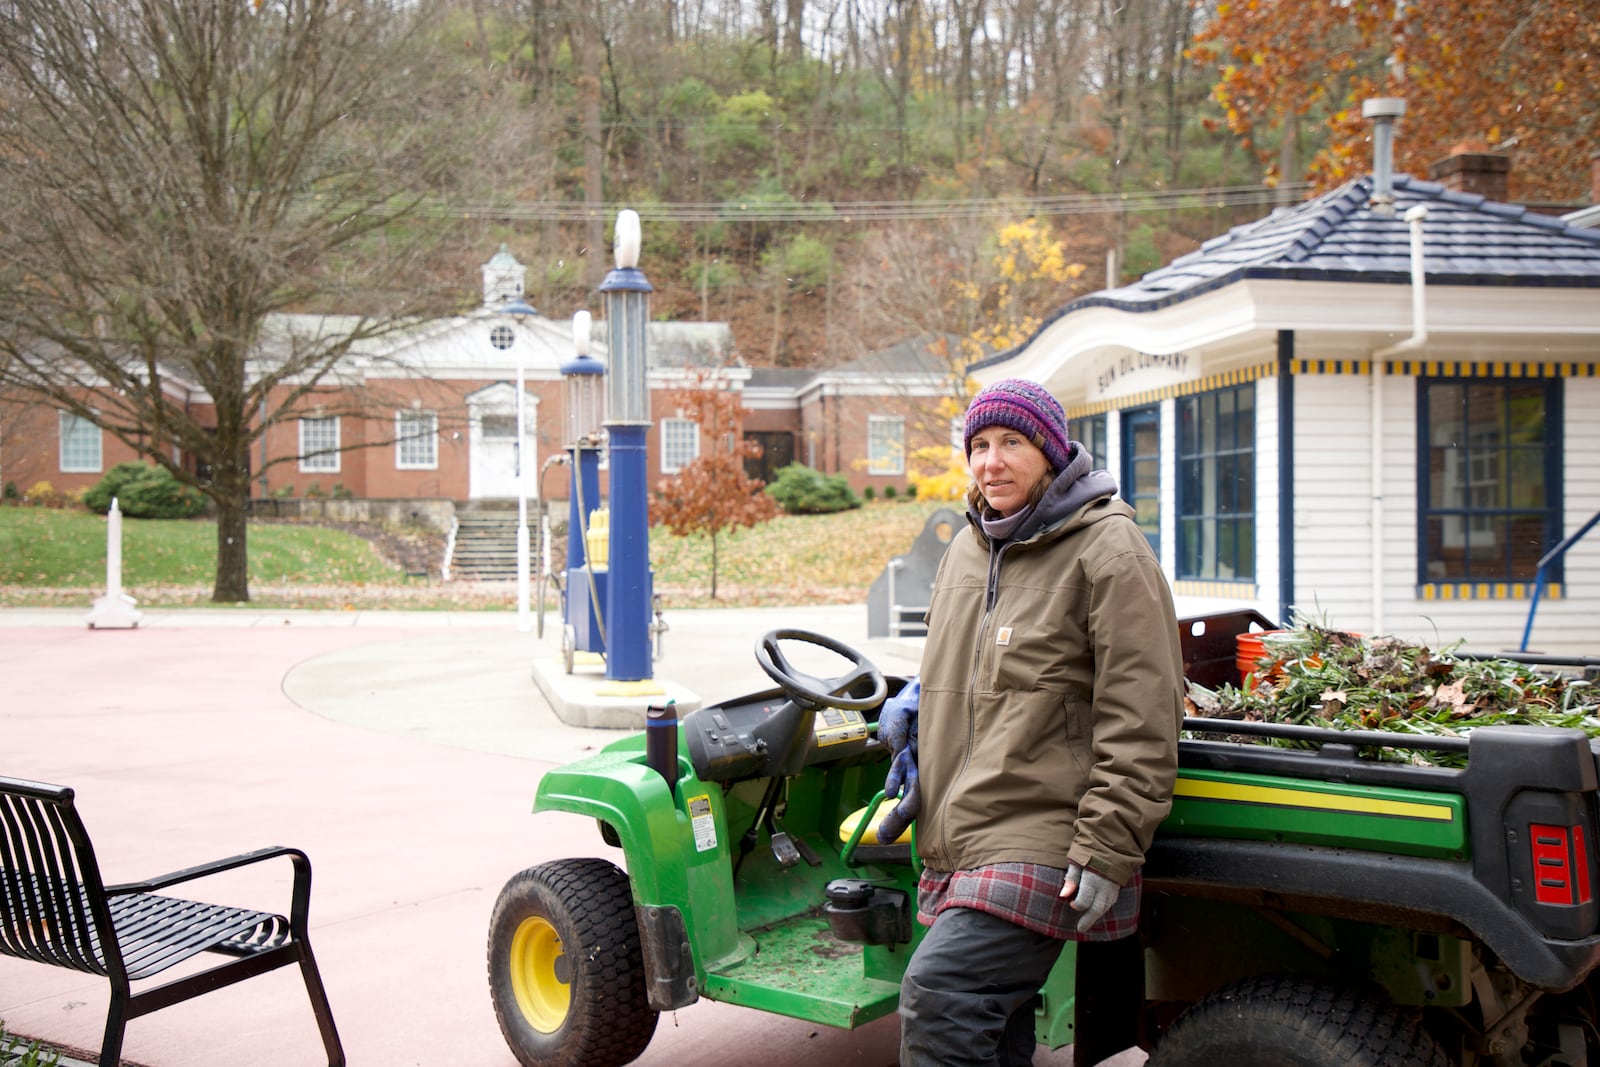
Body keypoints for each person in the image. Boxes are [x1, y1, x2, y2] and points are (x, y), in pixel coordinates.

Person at [879, 377, 1184, 1067]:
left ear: (1050, 451)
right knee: (996, 1026)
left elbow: (1144, 716)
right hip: (962, 827)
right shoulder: (968, 548)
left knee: (942, 993)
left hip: (1047, 834)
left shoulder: (1108, 548)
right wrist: (918, 701)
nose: (991, 462)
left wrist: (1108, 844)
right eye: (979, 445)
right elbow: (972, 669)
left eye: (1011, 442)